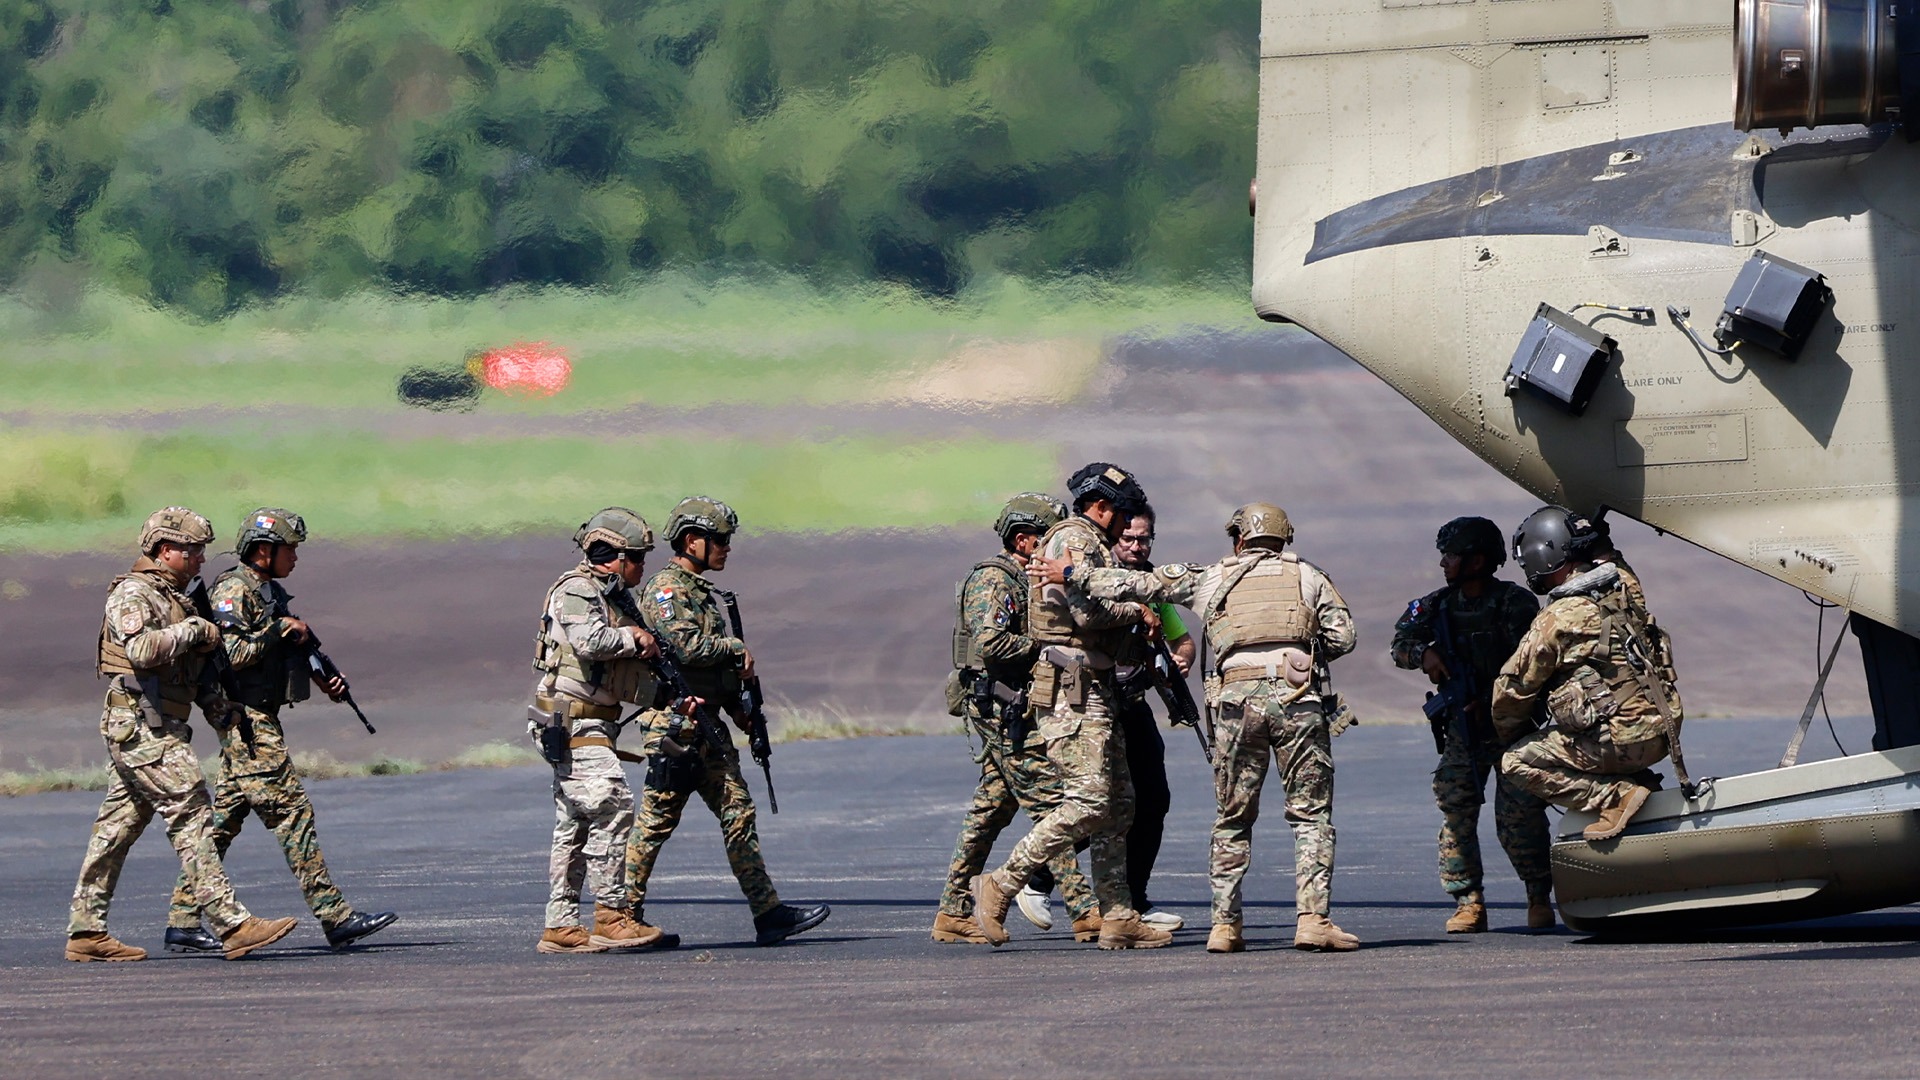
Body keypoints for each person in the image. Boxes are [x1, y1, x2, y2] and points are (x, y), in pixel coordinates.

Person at [1032, 501, 1360, 953]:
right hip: (1298, 704)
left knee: (1232, 819)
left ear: (1239, 539)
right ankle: (1313, 921)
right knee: (1310, 816)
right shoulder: (1310, 576)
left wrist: (1072, 575)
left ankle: (1225, 927)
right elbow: (1344, 638)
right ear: (1285, 538)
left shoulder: (1211, 575)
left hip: (1237, 706)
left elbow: (1137, 582)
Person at [68, 507, 298, 962]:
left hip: (160, 721)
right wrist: (193, 630)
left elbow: (186, 674)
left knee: (117, 827)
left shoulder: (177, 598)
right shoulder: (134, 594)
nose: (199, 560)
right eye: (192, 551)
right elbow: (142, 650)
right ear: (165, 549)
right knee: (192, 812)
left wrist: (220, 707)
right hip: (140, 723)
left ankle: (86, 931)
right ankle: (232, 924)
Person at [162, 508, 397, 954]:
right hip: (245, 718)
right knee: (293, 813)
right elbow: (231, 653)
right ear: (264, 552)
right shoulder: (234, 590)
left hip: (259, 715)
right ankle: (335, 917)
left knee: (223, 821)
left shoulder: (270, 592)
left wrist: (321, 676)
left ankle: (183, 918)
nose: (295, 559)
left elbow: (282, 650)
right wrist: (279, 630)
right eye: (290, 550)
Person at [969, 463, 1169, 950]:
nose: (1128, 525)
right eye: (1122, 513)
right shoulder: (1073, 541)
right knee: (1090, 800)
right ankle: (1000, 883)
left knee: (1120, 807)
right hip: (1070, 690)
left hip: (1095, 686)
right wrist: (1138, 612)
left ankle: (1118, 916)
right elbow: (1085, 610)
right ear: (1100, 507)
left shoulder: (1090, 544)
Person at [624, 496, 830, 946]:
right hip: (675, 728)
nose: (726, 549)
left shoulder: (701, 592)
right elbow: (684, 648)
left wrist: (740, 709)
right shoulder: (667, 590)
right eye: (719, 540)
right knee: (656, 822)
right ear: (692, 540)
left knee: (739, 813)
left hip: (707, 725)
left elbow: (706, 665)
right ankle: (621, 912)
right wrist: (736, 650)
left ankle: (768, 913)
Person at [934, 492, 1102, 945]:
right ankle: (1085, 911)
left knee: (990, 812)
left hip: (1015, 707)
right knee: (1054, 804)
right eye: (1048, 540)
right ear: (1025, 540)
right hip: (1001, 708)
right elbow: (990, 643)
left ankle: (953, 911)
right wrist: (1046, 649)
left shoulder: (1022, 581)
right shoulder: (995, 580)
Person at [529, 507, 692, 954]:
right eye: (637, 558)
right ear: (614, 556)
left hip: (587, 720)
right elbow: (588, 642)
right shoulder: (578, 590)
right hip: (571, 718)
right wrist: (634, 639)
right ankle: (611, 916)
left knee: (575, 822)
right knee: (614, 806)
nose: (642, 567)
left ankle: (561, 924)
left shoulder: (613, 595)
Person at [1390, 516, 1551, 933]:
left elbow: (1533, 664)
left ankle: (1538, 896)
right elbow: (1400, 642)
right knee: (1456, 812)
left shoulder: (1515, 603)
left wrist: (1495, 703)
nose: (1444, 563)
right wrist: (1423, 654)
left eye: (1452, 556)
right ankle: (1468, 902)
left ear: (1478, 560)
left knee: (1521, 816)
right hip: (1462, 730)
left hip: (1513, 727)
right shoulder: (1437, 605)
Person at [1493, 506, 1684, 842]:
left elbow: (1512, 690)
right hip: (1665, 731)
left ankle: (1615, 796)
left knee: (1515, 761)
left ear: (1545, 555)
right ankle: (1639, 781)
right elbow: (1611, 557)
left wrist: (1510, 732)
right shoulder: (1626, 587)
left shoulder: (1557, 619)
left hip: (1621, 745)